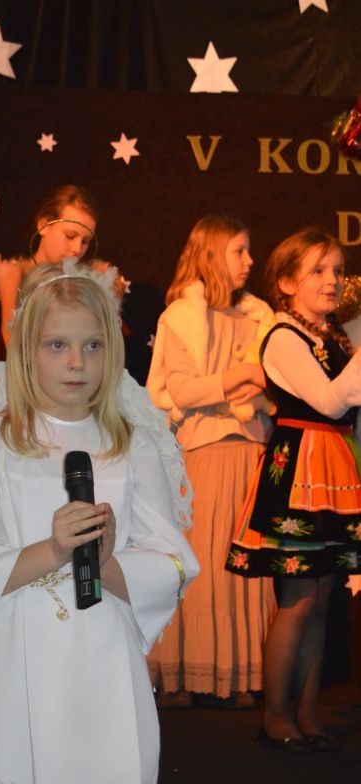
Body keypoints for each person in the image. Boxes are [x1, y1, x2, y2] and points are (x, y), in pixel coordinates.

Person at [0, 262, 198, 784]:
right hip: (12, 653)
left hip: (103, 654)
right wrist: (52, 551)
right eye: (58, 345)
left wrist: (107, 561)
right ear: (27, 353)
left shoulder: (132, 448)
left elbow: (172, 561)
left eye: (92, 345)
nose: (77, 362)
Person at [226, 227, 361, 751]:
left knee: (323, 598)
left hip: (334, 468)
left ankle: (306, 712)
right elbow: (329, 401)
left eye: (338, 271)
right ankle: (276, 714)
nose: (333, 281)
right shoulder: (284, 336)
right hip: (299, 467)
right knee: (299, 598)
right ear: (286, 282)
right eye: (318, 271)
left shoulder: (334, 337)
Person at [146, 216, 278, 708]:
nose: (250, 261)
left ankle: (240, 674)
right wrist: (240, 375)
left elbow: (273, 383)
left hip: (253, 451)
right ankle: (186, 673)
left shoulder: (259, 318)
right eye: (239, 250)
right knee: (204, 567)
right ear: (211, 254)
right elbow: (180, 390)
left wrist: (250, 383)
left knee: (246, 569)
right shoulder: (182, 317)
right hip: (205, 452)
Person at [0, 184, 124, 366]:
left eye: (85, 241)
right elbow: (13, 363)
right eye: (70, 236)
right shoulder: (0, 285)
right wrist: (9, 291)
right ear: (44, 225)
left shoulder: (93, 289)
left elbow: (108, 360)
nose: (77, 248)